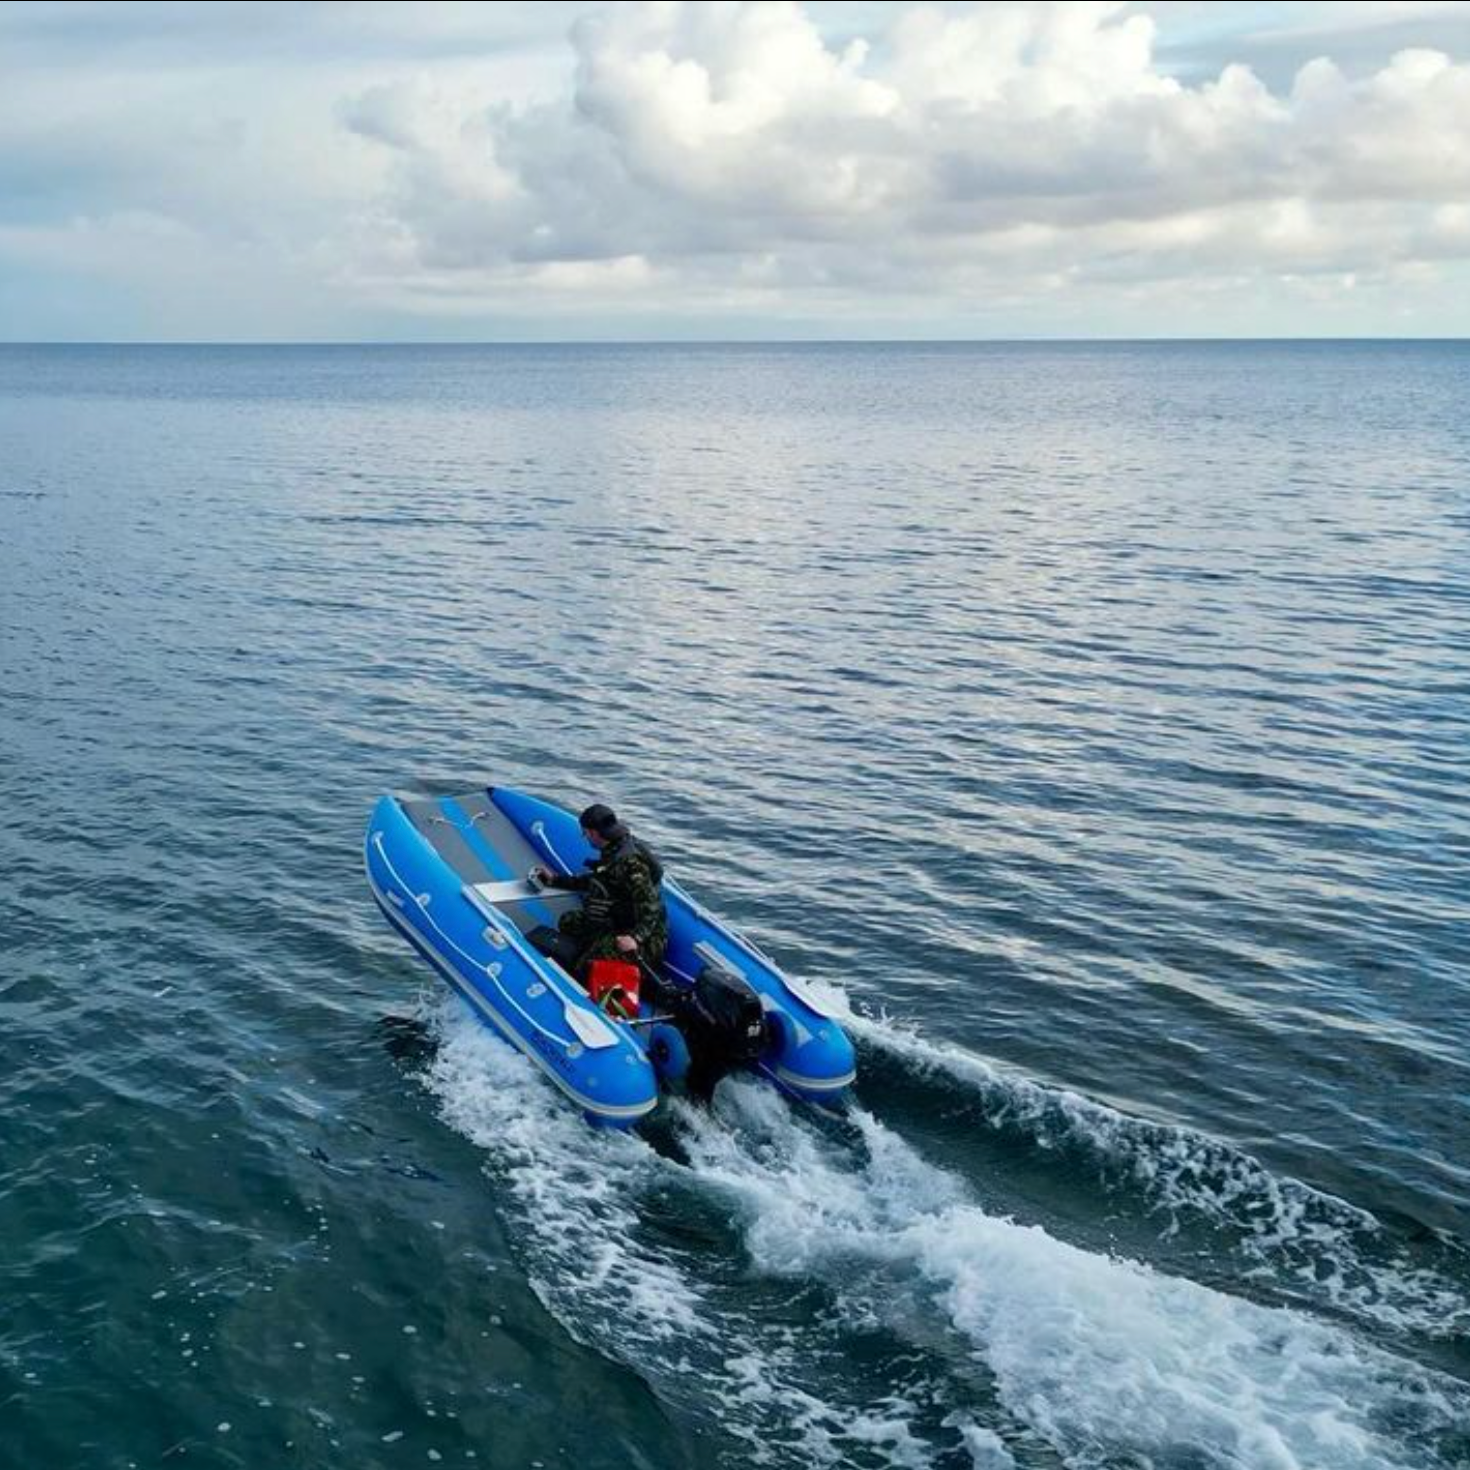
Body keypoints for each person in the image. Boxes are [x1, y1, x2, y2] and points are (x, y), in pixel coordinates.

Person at [534, 804, 668, 978]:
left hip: (645, 938)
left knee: (584, 967)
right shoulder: (614, 848)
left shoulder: (631, 863)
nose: (586, 838)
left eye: (585, 834)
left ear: (593, 833)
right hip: (618, 922)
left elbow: (652, 906)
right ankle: (599, 945)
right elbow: (598, 880)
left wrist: (636, 938)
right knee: (568, 922)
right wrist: (555, 880)